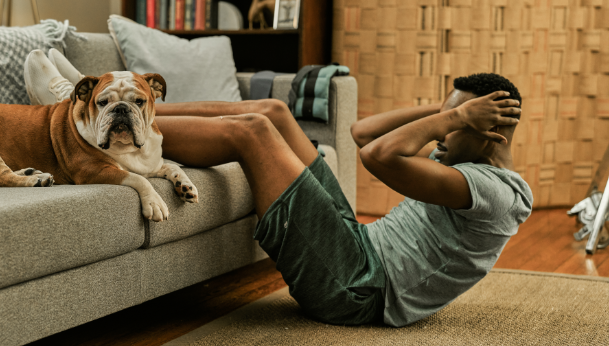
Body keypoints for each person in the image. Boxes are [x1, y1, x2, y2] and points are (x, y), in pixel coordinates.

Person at [22, 50, 532, 327]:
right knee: (272, 112)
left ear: (490, 133)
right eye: (444, 119)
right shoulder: (472, 162)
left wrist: (459, 115)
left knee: (252, 132)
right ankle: (102, 103)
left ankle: (77, 121)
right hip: (357, 247)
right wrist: (453, 115)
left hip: (358, 289)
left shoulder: (494, 191)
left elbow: (377, 156)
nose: (441, 135)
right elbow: (361, 133)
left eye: (453, 126)